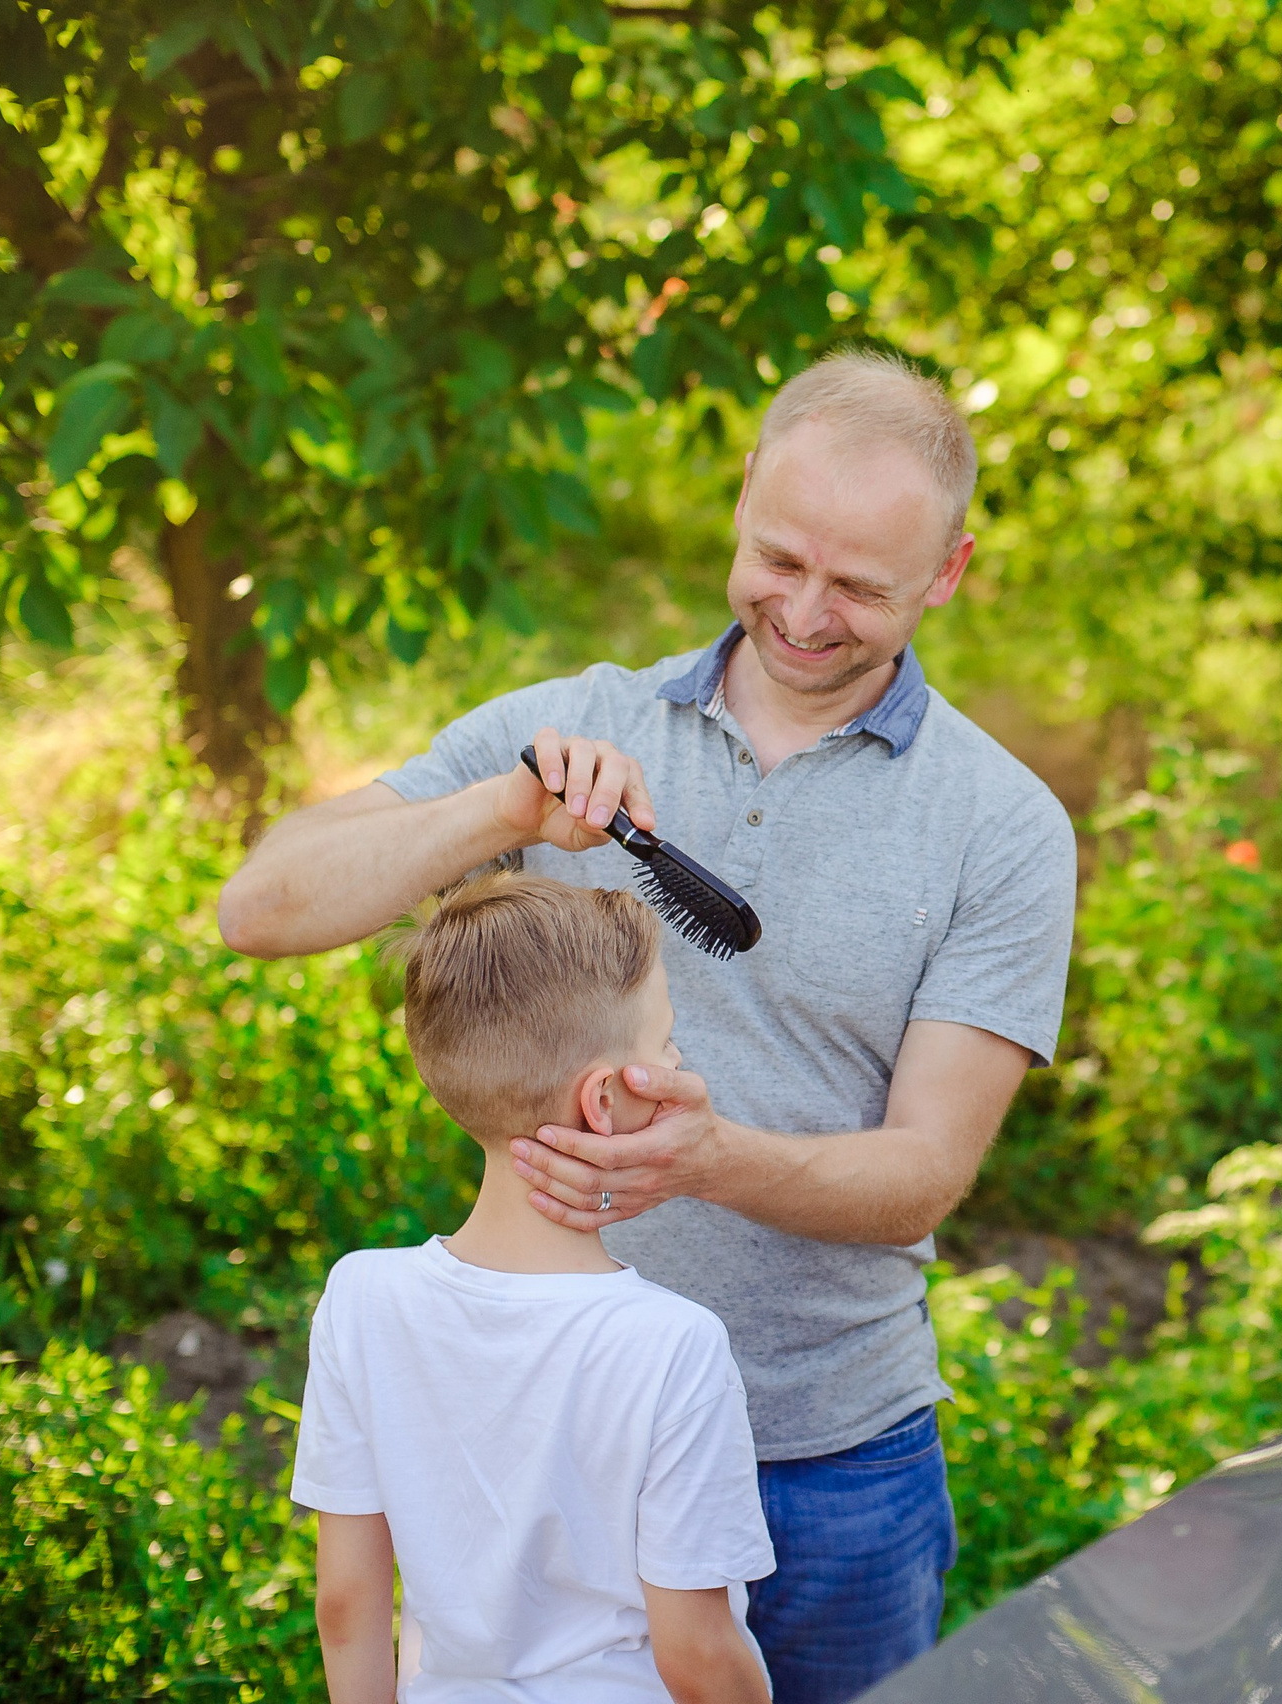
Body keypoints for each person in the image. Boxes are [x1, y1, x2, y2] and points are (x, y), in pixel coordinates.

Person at [221, 351, 1078, 1702]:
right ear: (743, 498)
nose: (802, 611)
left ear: (950, 572)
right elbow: (260, 908)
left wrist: (702, 1158)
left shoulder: (1005, 826)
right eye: (779, 556)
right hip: (544, 1450)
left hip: (831, 1473)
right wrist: (496, 815)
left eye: (858, 586)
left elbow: (928, 1169)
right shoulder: (572, 725)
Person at [298, 873, 774, 1704]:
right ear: (604, 1099)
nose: (676, 1062)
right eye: (663, 1045)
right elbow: (697, 1656)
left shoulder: (361, 1299)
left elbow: (346, 1603)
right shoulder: (672, 1346)